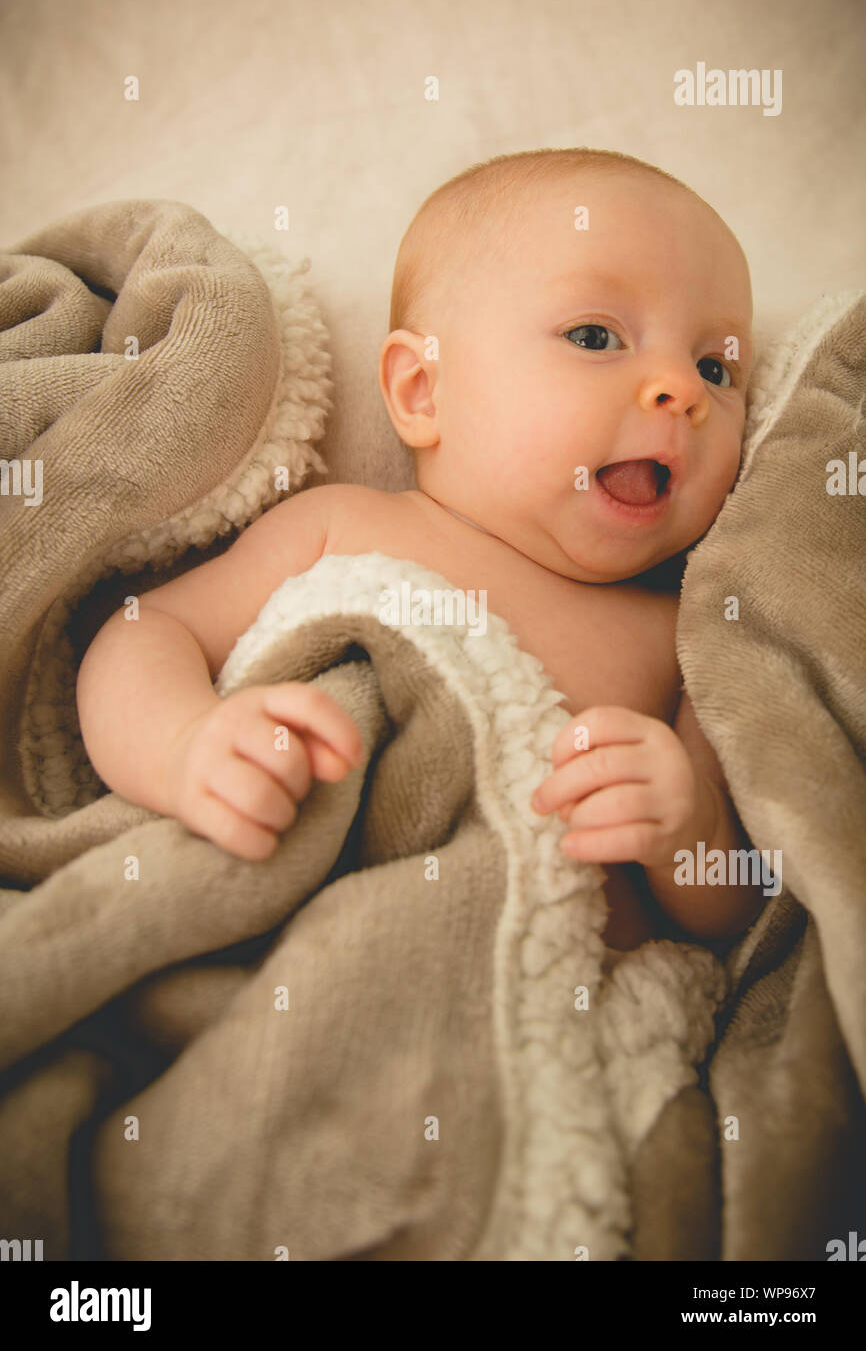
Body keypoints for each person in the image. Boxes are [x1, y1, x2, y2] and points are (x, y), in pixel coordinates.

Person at [76, 147, 765, 950]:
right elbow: (140, 632)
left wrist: (689, 831)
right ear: (421, 390)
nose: (679, 390)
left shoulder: (685, 639)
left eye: (716, 365)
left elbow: (741, 912)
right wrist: (181, 747)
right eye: (595, 335)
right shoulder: (341, 529)